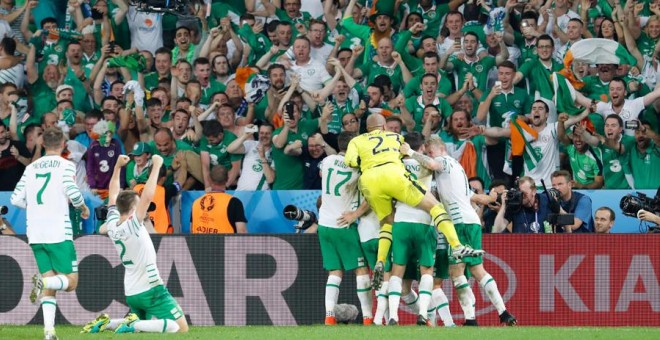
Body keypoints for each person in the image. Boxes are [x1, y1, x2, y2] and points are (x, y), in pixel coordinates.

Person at [344, 113, 483, 289]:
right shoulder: (396, 136)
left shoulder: (356, 141)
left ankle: (380, 260)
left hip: (370, 181)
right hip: (394, 177)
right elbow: (404, 155)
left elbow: (350, 162)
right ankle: (456, 246)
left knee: (386, 222)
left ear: (367, 129)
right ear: (384, 126)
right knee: (435, 206)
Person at [405, 135, 516, 326]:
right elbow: (475, 197)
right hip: (471, 221)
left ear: (440, 149)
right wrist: (490, 198)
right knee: (476, 269)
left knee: (457, 272)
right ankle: (502, 312)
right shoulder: (458, 168)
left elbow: (431, 164)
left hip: (458, 223)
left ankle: (472, 318)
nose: (430, 156)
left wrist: (409, 153)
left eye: (431, 152)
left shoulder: (443, 161)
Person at [82, 153, 189, 334]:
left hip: (132, 292)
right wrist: (156, 165)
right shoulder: (133, 223)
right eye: (138, 204)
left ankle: (108, 323)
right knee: (180, 329)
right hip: (151, 288)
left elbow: (113, 193)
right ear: (132, 209)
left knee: (146, 327)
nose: (142, 207)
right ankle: (132, 325)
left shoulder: (113, 223)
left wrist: (117, 167)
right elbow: (147, 196)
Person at [10, 127, 90, 340]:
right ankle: (42, 284)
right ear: (64, 144)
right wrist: (82, 207)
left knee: (51, 280)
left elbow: (16, 199)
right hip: (58, 231)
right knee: (71, 282)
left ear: (43, 144)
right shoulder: (66, 165)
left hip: (35, 232)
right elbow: (72, 191)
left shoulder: (31, 167)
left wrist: (36, 208)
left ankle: (49, 332)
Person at [387, 132, 447, 327]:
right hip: (424, 221)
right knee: (426, 269)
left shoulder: (395, 165)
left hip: (401, 220)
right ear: (421, 147)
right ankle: (423, 315)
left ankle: (393, 316)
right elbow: (432, 164)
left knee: (397, 270)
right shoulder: (424, 161)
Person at [317, 131, 373, 326]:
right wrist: (356, 214)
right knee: (361, 270)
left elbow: (322, 173)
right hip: (344, 224)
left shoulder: (328, 161)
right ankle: (368, 318)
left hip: (324, 224)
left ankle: (329, 316)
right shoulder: (358, 169)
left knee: (335, 271)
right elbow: (371, 197)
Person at [191, 165, 247, 234]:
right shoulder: (234, 202)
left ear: (209, 179)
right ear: (227, 179)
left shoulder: (196, 203)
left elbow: (192, 231)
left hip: (199, 244)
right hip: (225, 244)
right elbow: (242, 232)